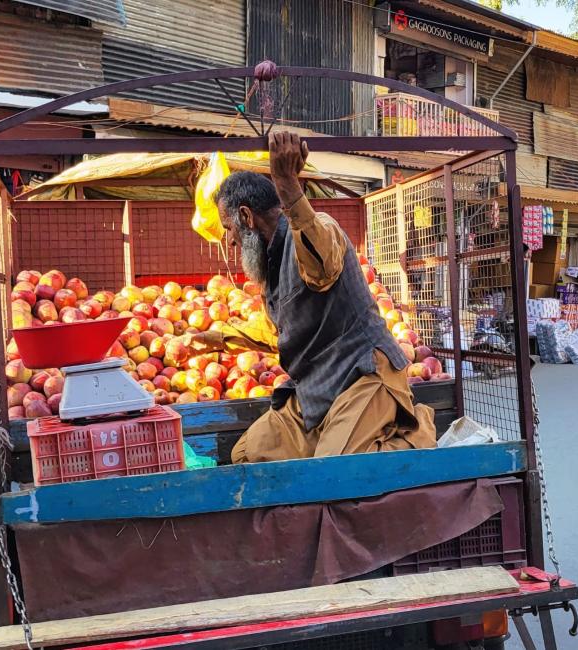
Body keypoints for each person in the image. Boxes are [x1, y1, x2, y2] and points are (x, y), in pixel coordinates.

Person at [187, 132, 436, 463]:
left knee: (333, 471)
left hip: (362, 377)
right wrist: (217, 337)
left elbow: (322, 270)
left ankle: (419, 433)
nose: (230, 242)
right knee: (247, 454)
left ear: (246, 218)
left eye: (229, 229)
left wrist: (288, 185)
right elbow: (280, 330)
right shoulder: (270, 266)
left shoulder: (318, 227)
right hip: (316, 390)